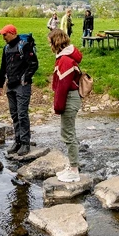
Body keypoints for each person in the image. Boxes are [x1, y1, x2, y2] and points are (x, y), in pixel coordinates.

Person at [0, 23, 39, 157]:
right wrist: (0, 84)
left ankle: (25, 142)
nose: (3, 37)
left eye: (5, 34)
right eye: (2, 34)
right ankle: (17, 141)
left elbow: (34, 64)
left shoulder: (24, 45)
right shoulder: (6, 48)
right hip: (10, 85)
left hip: (22, 85)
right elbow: (3, 67)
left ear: (12, 33)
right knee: (14, 114)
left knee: (22, 114)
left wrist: (26, 78)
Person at [49, 27, 83, 170]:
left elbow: (62, 88)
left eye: (50, 42)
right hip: (72, 98)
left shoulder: (64, 60)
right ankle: (73, 165)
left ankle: (74, 169)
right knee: (70, 132)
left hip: (69, 98)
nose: (49, 46)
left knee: (68, 134)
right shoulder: (66, 57)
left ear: (56, 42)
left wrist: (57, 107)